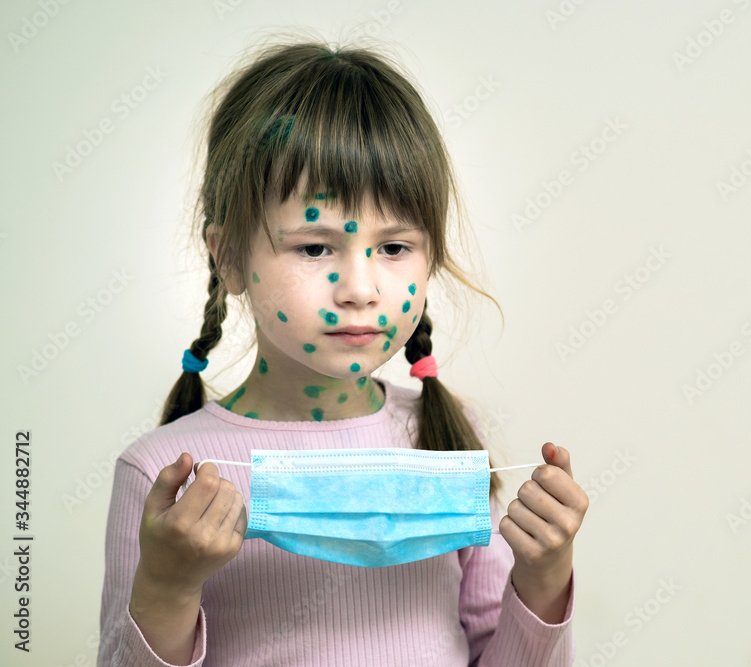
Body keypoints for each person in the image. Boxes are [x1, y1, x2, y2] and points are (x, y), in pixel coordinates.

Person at [97, 40, 589, 666]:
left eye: (394, 247)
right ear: (228, 258)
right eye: (313, 247)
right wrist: (167, 586)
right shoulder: (162, 472)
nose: (360, 290)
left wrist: (545, 579)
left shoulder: (449, 441)